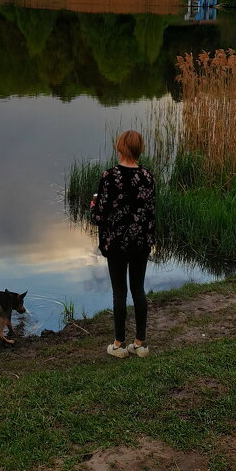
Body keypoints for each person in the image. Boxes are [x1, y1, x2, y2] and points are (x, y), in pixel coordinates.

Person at [90, 130, 156, 357]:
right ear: (140, 149)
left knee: (120, 293)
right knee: (138, 290)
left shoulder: (109, 176)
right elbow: (150, 211)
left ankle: (118, 345)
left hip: (117, 243)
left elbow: (100, 215)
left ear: (120, 148)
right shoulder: (147, 176)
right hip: (140, 241)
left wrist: (93, 206)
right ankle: (140, 344)